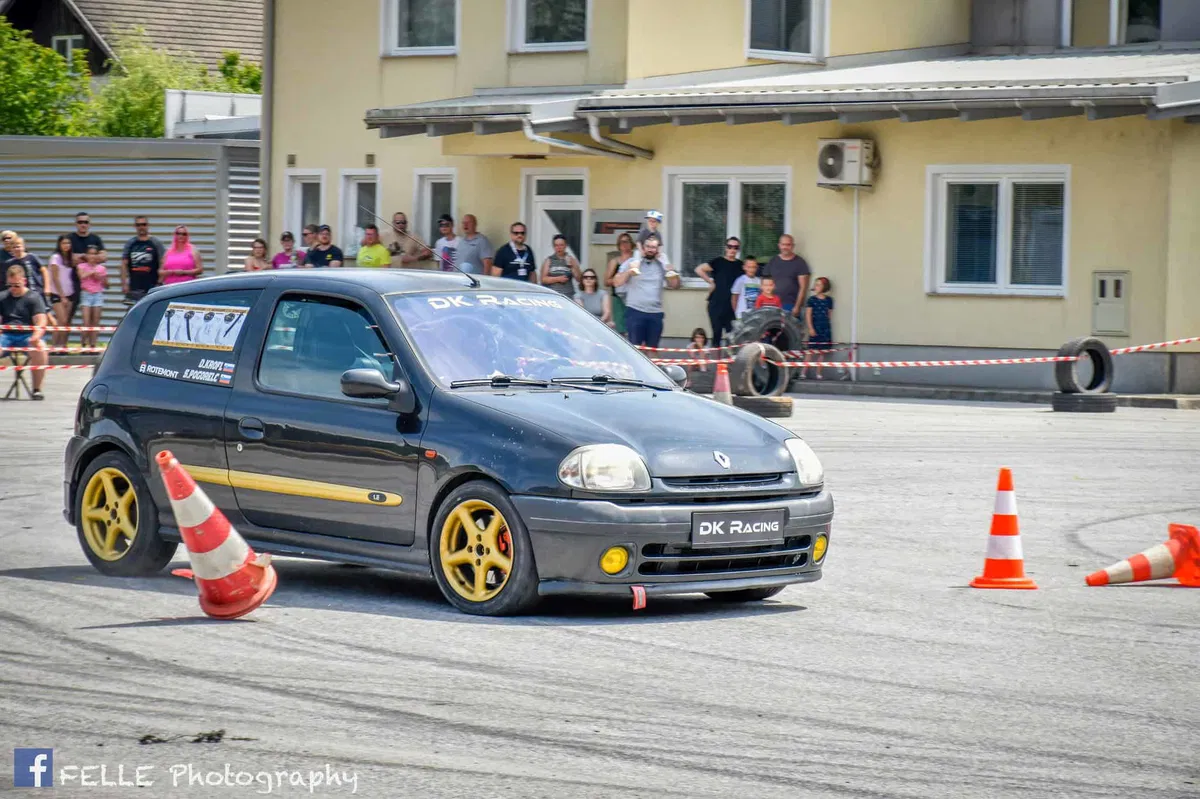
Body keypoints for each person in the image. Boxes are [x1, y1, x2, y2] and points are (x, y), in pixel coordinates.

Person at [611, 233, 681, 348]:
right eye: (648, 246)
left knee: (652, 350)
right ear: (642, 247)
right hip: (635, 311)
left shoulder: (662, 263)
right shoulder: (632, 262)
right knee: (635, 350)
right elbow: (616, 282)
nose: (650, 250)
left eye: (653, 247)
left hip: (655, 313)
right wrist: (630, 270)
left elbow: (675, 285)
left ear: (658, 249)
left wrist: (668, 267)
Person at [1, 264, 49, 400]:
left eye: (16, 285)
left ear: (24, 281)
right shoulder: (2, 297)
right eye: (9, 285)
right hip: (6, 335)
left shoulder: (33, 298)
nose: (13, 289)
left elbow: (41, 320)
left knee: (41, 348)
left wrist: (36, 337)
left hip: (26, 336)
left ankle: (37, 389)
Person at [694, 236, 744, 349]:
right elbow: (699, 269)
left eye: (735, 247)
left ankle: (729, 364)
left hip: (731, 307)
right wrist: (710, 281)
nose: (732, 250)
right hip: (715, 304)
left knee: (732, 337)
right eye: (730, 246)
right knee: (716, 335)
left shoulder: (741, 265)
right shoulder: (718, 261)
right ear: (725, 248)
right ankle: (716, 364)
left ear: (738, 250)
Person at [764, 234, 811, 319]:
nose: (785, 247)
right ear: (779, 245)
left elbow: (803, 287)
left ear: (793, 246)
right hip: (772, 304)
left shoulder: (800, 263)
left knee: (790, 331)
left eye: (788, 245)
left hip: (791, 305)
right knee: (773, 331)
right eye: (783, 244)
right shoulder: (773, 261)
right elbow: (764, 283)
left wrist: (797, 306)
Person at [121, 216, 165, 303]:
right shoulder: (130, 243)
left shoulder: (156, 243)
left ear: (148, 226)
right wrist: (124, 284)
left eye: (143, 224)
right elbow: (123, 264)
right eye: (138, 225)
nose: (141, 227)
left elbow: (163, 263)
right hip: (134, 287)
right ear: (135, 226)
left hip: (152, 287)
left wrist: (159, 283)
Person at [49, 235, 78, 350]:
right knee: (61, 320)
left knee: (66, 323)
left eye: (68, 243)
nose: (66, 246)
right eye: (64, 243)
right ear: (59, 245)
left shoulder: (70, 259)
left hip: (69, 293)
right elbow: (55, 278)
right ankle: (54, 346)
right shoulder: (55, 258)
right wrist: (61, 296)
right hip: (57, 294)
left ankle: (62, 346)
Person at [604, 232, 636, 336]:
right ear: (618, 245)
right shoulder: (614, 261)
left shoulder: (637, 259)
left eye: (627, 241)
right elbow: (606, 282)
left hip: (634, 298)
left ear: (631, 244)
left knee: (634, 328)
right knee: (620, 330)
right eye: (621, 242)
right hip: (618, 299)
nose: (624, 244)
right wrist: (618, 279)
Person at [803, 276, 835, 379]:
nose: (816, 286)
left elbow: (829, 314)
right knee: (810, 351)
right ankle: (803, 372)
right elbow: (808, 315)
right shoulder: (811, 300)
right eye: (815, 284)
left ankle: (819, 373)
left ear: (824, 287)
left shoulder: (829, 300)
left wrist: (826, 326)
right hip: (814, 327)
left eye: (819, 285)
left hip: (825, 328)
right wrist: (810, 328)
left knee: (822, 352)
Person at [77, 245, 108, 350]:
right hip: (86, 294)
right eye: (90, 253)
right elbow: (81, 276)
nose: (92, 256)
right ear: (86, 255)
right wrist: (92, 272)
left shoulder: (102, 268)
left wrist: (101, 278)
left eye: (95, 254)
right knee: (86, 322)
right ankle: (83, 344)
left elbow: (107, 285)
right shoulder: (81, 266)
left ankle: (93, 345)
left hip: (97, 294)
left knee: (95, 322)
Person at [4, 236, 51, 304]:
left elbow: (44, 271)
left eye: (18, 246)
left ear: (23, 247)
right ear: (11, 249)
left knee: (45, 312)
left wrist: (47, 287)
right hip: (21, 294)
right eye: (14, 247)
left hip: (37, 291)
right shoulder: (10, 263)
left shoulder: (32, 257)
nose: (17, 249)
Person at [730, 256, 762, 320]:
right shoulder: (740, 280)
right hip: (741, 315)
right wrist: (736, 312)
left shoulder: (759, 281)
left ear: (757, 268)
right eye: (749, 267)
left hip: (755, 316)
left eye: (753, 267)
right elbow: (734, 298)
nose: (751, 269)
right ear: (744, 267)